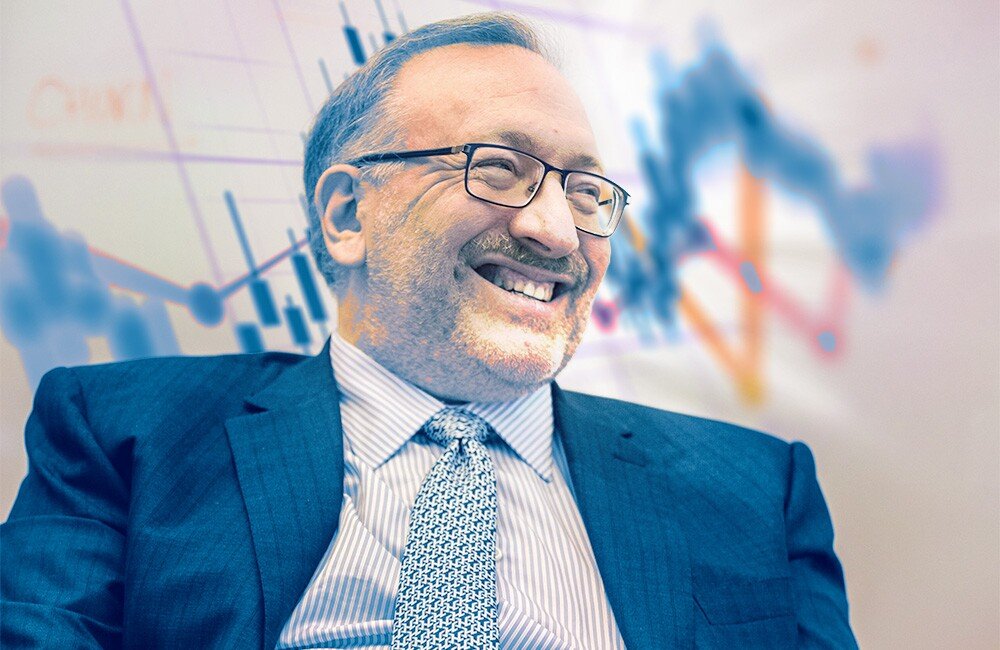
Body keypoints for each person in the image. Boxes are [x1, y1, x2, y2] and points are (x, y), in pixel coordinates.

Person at [0, 12, 857, 649]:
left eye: (586, 192)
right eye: (500, 168)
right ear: (348, 214)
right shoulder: (127, 434)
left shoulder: (755, 489)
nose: (558, 232)